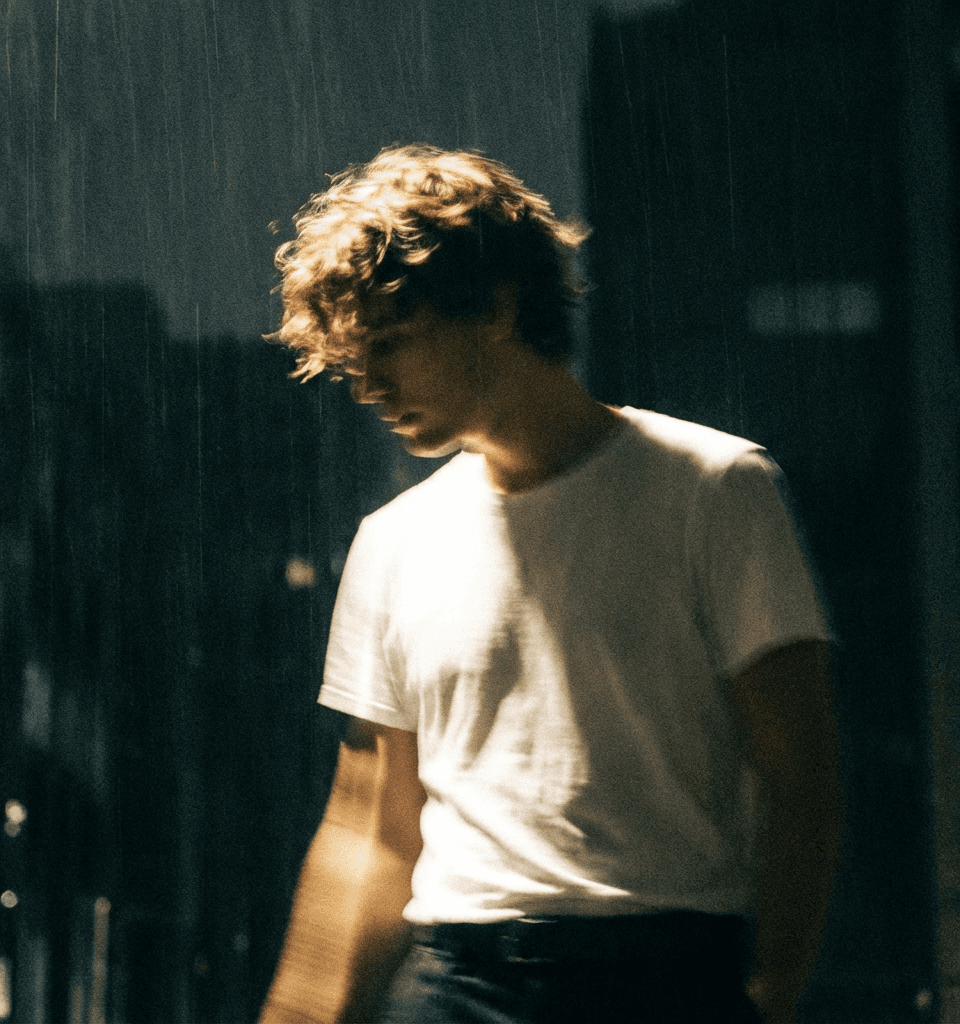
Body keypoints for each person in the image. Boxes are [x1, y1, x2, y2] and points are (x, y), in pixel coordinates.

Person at [259, 144, 843, 1024]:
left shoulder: (715, 489)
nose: (369, 385)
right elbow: (369, 834)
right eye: (353, 360)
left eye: (390, 344)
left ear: (495, 308)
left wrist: (767, 998)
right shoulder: (392, 544)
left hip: (664, 973)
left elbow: (803, 778)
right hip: (456, 979)